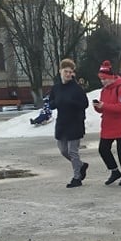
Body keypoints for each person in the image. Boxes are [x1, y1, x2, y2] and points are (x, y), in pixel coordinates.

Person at [48, 59, 89, 188]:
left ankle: (77, 178)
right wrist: (56, 103)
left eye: (70, 72)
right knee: (63, 150)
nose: (68, 74)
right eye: (66, 71)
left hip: (75, 122)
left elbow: (85, 104)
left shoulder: (76, 88)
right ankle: (81, 165)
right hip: (62, 123)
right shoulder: (56, 88)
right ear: (60, 71)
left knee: (72, 151)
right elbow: (51, 103)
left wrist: (72, 102)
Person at [92, 60, 121, 186]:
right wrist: (98, 107)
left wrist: (105, 105)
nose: (102, 82)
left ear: (111, 78)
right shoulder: (104, 91)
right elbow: (103, 108)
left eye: (104, 79)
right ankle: (114, 171)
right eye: (101, 79)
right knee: (103, 149)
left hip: (120, 124)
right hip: (108, 124)